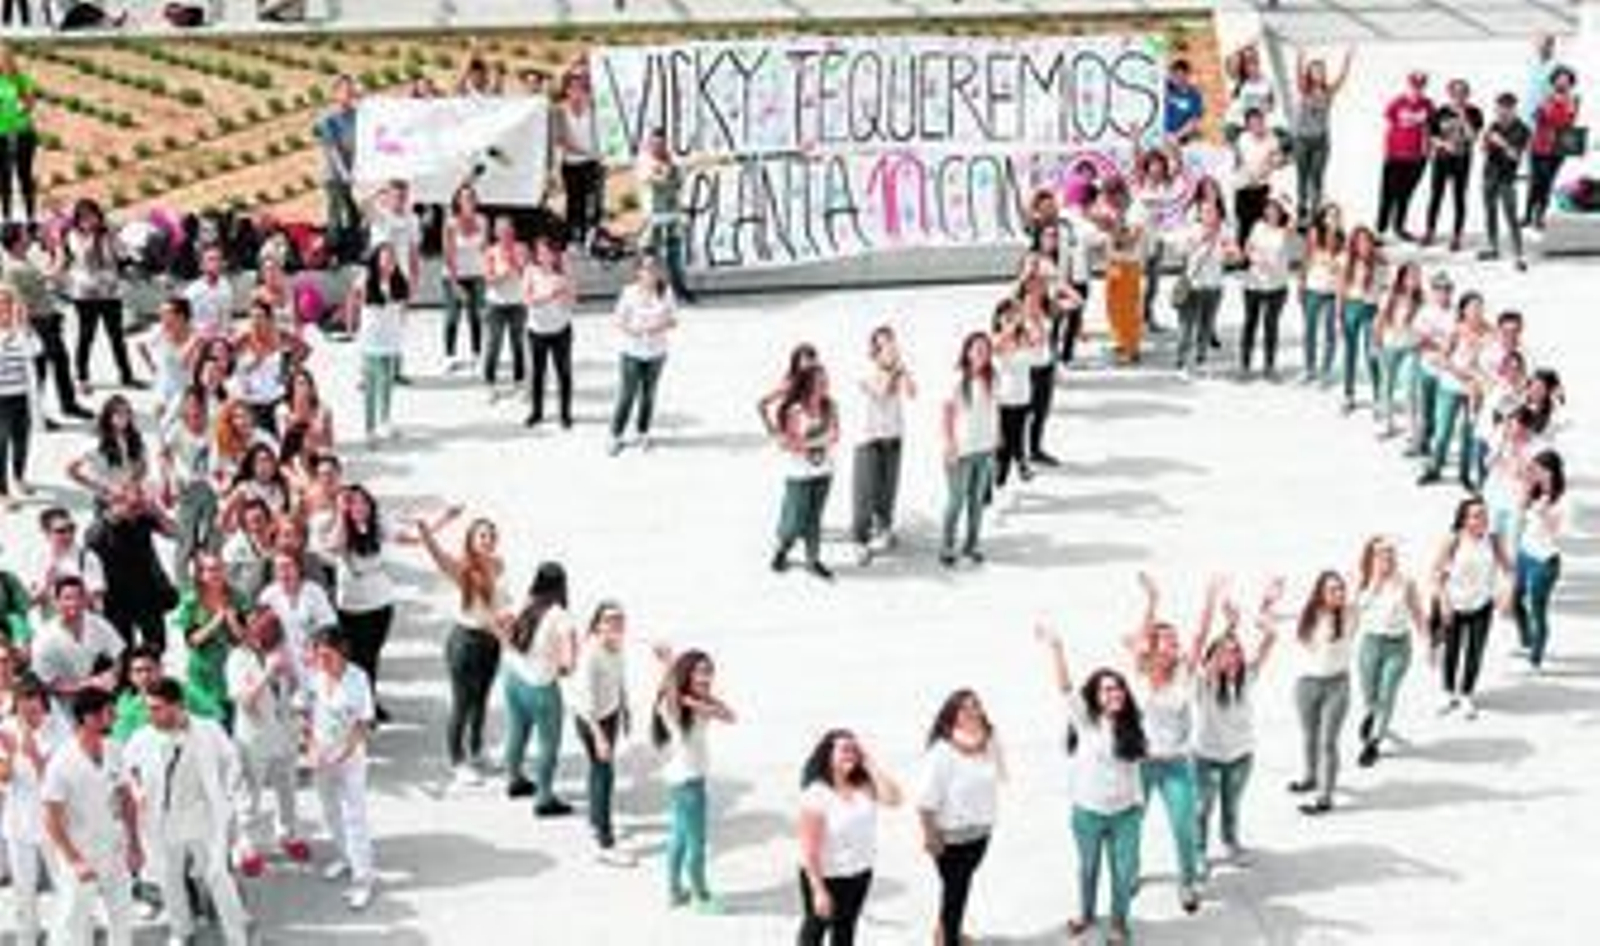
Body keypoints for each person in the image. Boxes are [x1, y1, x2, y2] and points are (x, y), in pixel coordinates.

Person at [122, 676, 249, 946]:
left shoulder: (208, 729)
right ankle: (182, 931)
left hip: (203, 815)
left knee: (217, 876)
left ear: (177, 705)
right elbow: (126, 770)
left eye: (156, 708)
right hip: (162, 820)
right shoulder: (142, 737)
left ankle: (237, 936)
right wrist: (137, 790)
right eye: (148, 707)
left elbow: (232, 761)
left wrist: (226, 795)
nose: (150, 714)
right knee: (169, 878)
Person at [412, 507, 511, 788]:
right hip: (465, 642)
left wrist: (508, 618)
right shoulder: (463, 569)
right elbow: (437, 556)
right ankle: (457, 761)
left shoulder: (499, 565)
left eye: (491, 535)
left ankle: (477, 751)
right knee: (462, 703)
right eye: (482, 535)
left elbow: (500, 603)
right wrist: (426, 531)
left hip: (491, 642)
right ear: (471, 539)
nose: (487, 539)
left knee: (482, 700)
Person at [42, 687, 141, 946]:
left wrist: (135, 845)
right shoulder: (61, 763)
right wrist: (75, 861)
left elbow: (126, 799)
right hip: (80, 850)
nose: (116, 717)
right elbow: (51, 819)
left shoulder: (114, 749)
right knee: (75, 922)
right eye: (110, 712)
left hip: (114, 846)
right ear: (89, 718)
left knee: (122, 917)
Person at [1192, 577, 1278, 869]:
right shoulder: (1204, 683)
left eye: (1236, 651)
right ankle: (1198, 851)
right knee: (1202, 808)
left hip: (1241, 756)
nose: (1233, 655)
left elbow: (1269, 640)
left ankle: (1231, 842)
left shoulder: (1246, 679)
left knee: (1232, 805)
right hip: (1206, 758)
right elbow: (1205, 650)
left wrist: (1267, 606)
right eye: (1227, 652)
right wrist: (1225, 621)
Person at [797, 729, 903, 946]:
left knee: (846, 930)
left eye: (855, 750)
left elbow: (894, 799)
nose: (851, 754)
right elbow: (809, 851)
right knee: (815, 931)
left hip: (859, 873)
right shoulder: (816, 794)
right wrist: (818, 891)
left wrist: (870, 764)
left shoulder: (863, 786)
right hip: (826, 875)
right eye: (845, 749)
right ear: (828, 754)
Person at [226, 609, 310, 876]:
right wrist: (267, 674)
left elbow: (299, 688)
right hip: (253, 737)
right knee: (250, 793)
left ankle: (288, 834)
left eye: (275, 635)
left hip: (284, 731)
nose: (271, 641)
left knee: (287, 786)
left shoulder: (283, 651)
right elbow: (245, 702)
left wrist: (293, 678)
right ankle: (246, 846)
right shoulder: (237, 660)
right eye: (264, 635)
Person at [652, 646, 736, 913]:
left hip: (685, 779)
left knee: (679, 837)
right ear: (685, 674)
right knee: (697, 842)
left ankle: (675, 892)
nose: (706, 677)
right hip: (688, 782)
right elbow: (674, 703)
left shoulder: (694, 702)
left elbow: (730, 716)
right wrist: (669, 668)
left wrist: (700, 697)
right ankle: (701, 896)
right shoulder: (672, 704)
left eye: (709, 672)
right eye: (700, 672)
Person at [916, 689, 1000, 946]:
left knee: (958, 891)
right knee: (956, 893)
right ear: (953, 715)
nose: (973, 711)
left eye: (976, 705)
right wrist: (930, 835)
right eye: (965, 708)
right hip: (951, 839)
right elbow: (925, 801)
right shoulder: (942, 752)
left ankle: (945, 933)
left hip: (981, 833)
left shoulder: (987, 743)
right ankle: (949, 939)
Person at [307, 627, 376, 911]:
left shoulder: (358, 679)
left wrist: (342, 755)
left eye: (327, 655)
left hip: (349, 757)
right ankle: (345, 856)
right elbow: (309, 715)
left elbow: (363, 725)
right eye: (318, 655)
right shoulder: (316, 677)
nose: (321, 661)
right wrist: (310, 747)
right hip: (322, 755)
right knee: (329, 810)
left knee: (354, 816)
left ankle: (363, 878)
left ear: (341, 651)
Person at [501, 562, 577, 813]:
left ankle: (514, 779)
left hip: (513, 677)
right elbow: (569, 662)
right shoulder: (560, 616)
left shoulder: (527, 602)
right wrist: (563, 668)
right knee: (548, 743)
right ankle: (544, 798)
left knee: (516, 731)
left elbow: (508, 629)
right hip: (541, 687)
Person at [0, 674, 67, 946]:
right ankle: (28, 937)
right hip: (18, 823)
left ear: (43, 702)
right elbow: (4, 778)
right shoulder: (6, 728)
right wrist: (10, 755)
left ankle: (68, 936)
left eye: (34, 704)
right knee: (23, 890)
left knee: (64, 886)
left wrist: (33, 755)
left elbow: (56, 783)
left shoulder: (58, 729)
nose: (29, 712)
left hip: (54, 824)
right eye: (23, 704)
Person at [4, 225, 90, 424]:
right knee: (39, 371)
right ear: (16, 241)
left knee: (59, 363)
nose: (29, 237)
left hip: (46, 320)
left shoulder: (25, 260)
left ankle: (67, 405)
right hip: (37, 323)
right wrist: (59, 247)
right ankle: (37, 414)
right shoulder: (16, 267)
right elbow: (52, 275)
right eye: (25, 235)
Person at [1353, 538, 1427, 768]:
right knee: (1369, 694)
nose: (1387, 558)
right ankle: (1371, 715)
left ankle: (1373, 743)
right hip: (1370, 643)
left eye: (1390, 554)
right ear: (1371, 557)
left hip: (1398, 645)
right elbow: (1355, 610)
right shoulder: (1363, 581)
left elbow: (1418, 613)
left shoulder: (1406, 582)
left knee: (1387, 693)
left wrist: (1427, 641)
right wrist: (1374, 583)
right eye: (1381, 554)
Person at [57, 197, 139, 393]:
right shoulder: (72, 236)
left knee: (116, 336)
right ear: (77, 219)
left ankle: (126, 375)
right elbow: (81, 255)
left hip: (110, 291)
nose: (89, 221)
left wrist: (113, 237)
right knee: (86, 336)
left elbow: (123, 254)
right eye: (84, 218)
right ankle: (82, 377)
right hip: (85, 293)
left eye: (92, 216)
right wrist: (92, 238)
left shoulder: (109, 234)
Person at [572, 600, 632, 865]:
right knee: (605, 773)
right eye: (609, 619)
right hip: (591, 719)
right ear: (598, 624)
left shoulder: (616, 646)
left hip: (610, 713)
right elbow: (585, 701)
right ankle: (605, 844)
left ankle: (596, 820)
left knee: (598, 770)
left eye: (619, 619)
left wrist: (625, 708)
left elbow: (618, 680)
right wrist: (599, 737)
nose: (616, 623)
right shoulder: (590, 654)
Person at [1290, 571, 1354, 815]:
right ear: (1320, 592)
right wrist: (1269, 599)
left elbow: (1368, 594)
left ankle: (1324, 796)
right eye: (1332, 589)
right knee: (1309, 736)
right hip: (1306, 684)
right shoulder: (1308, 615)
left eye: (1340, 589)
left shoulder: (1349, 614)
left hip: (1337, 685)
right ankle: (1310, 777)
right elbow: (1272, 617)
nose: (1338, 593)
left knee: (1328, 741)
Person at [84, 481, 176, 652]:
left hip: (148, 595)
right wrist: (96, 606)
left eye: (140, 505)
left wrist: (156, 511)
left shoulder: (142, 517)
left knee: (157, 647)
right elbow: (92, 573)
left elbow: (175, 533)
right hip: (117, 602)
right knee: (123, 652)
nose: (138, 510)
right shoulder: (97, 533)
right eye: (133, 506)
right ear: (116, 503)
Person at [1432, 497, 1501, 719]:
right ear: (1464, 519)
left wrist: (1506, 591)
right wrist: (1444, 602)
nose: (1480, 519)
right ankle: (1448, 691)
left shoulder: (1492, 540)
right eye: (1475, 515)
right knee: (1452, 650)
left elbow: (1509, 568)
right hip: (1455, 603)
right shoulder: (1453, 540)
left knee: (1475, 652)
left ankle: (1467, 694)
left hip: (1482, 604)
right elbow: (1435, 573)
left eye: (1483, 514)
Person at [850, 325, 913, 566]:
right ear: (875, 348)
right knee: (864, 492)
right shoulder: (865, 370)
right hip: (869, 439)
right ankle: (859, 540)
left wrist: (903, 371)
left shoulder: (897, 369)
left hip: (894, 436)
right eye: (885, 343)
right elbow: (882, 392)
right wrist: (896, 369)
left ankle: (884, 527)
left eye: (893, 342)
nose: (891, 347)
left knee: (888, 488)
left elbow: (913, 392)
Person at [770, 364, 838, 580]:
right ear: (808, 384)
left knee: (814, 518)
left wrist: (808, 442)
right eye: (820, 381)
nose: (825, 385)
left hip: (823, 471)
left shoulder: (830, 406)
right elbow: (791, 444)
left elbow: (835, 435)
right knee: (794, 520)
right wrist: (818, 441)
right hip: (798, 473)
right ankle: (783, 547)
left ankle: (813, 559)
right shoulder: (795, 410)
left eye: (826, 380)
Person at [939, 331, 997, 567]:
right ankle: (947, 545)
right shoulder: (955, 378)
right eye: (977, 348)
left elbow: (995, 410)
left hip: (984, 449)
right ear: (967, 351)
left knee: (976, 502)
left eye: (985, 349)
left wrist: (997, 438)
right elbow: (946, 415)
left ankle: (971, 545)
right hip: (961, 451)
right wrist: (950, 444)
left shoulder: (993, 377)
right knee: (956, 501)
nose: (981, 353)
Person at [29, 575, 122, 723]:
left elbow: (119, 653)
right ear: (56, 602)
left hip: (94, 705)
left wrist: (112, 676)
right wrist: (88, 684)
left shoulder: (97, 623)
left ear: (85, 599)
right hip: (60, 711)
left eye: (79, 597)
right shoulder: (44, 639)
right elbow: (45, 684)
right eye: (67, 598)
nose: (74, 603)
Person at [609, 257, 678, 456]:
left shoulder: (665, 292)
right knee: (627, 394)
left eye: (655, 268)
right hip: (632, 351)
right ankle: (615, 435)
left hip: (656, 352)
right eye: (646, 268)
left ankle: (643, 432)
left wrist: (658, 326)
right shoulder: (629, 292)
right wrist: (634, 329)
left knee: (649, 394)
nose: (651, 272)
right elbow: (618, 320)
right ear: (638, 271)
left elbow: (673, 320)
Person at [343, 243, 410, 445]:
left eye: (392, 258)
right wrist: (350, 325)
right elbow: (351, 301)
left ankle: (385, 420)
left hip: (391, 337)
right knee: (371, 383)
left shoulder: (399, 280)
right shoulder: (365, 279)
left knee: (387, 381)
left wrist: (401, 326)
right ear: (377, 259)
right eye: (385, 257)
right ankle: (369, 428)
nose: (389, 262)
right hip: (371, 337)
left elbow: (403, 306)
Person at [171, 551, 249, 724]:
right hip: (203, 672)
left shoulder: (238, 597)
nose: (216, 574)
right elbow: (192, 641)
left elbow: (244, 638)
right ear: (201, 574)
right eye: (210, 570)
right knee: (206, 723)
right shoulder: (191, 601)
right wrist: (217, 619)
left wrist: (232, 621)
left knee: (232, 722)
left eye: (219, 569)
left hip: (232, 669)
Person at [1514, 450, 1565, 670]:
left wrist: (1545, 513)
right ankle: (1528, 641)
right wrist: (1526, 492)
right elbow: (1520, 512)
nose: (1535, 473)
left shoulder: (1562, 499)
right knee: (1516, 601)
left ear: (1551, 472)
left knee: (1537, 608)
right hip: (1525, 554)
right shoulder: (1533, 490)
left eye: (1539, 469)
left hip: (1545, 561)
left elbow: (1557, 533)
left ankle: (1536, 659)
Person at [1175, 193, 1235, 375]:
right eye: (1205, 211)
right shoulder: (1191, 230)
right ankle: (1182, 361)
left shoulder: (1224, 231)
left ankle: (1200, 359)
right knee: (1187, 326)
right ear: (1199, 214)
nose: (1210, 215)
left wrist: (1229, 253)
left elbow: (1229, 257)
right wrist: (1200, 240)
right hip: (1194, 285)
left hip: (1214, 285)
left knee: (1206, 325)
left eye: (1213, 211)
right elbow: (1180, 251)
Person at [1291, 48, 1351, 223]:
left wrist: (1347, 61)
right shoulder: (1304, 89)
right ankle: (1302, 206)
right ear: (1310, 73)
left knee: (1317, 177)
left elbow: (1341, 80)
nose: (1318, 73)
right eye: (1315, 70)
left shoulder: (1328, 91)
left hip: (1321, 141)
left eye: (1321, 70)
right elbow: (1298, 77)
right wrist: (1300, 58)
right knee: (1302, 176)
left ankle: (1315, 211)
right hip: (1301, 140)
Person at [1423, 79, 1484, 251]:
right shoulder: (1440, 111)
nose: (1459, 96)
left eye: (1463, 92)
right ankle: (1430, 231)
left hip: (1462, 161)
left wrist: (1463, 116)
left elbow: (1473, 137)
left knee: (1459, 198)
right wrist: (1444, 145)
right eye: (1455, 92)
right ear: (1449, 93)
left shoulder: (1474, 112)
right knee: (1436, 196)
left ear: (1467, 94)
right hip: (1441, 160)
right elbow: (1431, 136)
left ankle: (1457, 236)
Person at [523, 236, 577, 429]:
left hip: (561, 329)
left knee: (564, 373)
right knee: (538, 373)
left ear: (554, 255)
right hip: (537, 330)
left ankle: (565, 414)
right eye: (540, 252)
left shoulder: (564, 273)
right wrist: (549, 295)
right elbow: (527, 299)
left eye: (547, 252)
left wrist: (565, 295)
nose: (544, 256)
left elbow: (572, 302)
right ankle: (537, 412)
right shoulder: (530, 271)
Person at [1377, 72, 1434, 241]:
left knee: (1405, 194)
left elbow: (1431, 128)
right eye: (1413, 86)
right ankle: (1380, 229)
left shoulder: (1428, 105)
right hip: (1395, 155)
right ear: (1408, 85)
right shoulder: (1397, 102)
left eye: (1420, 86)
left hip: (1417, 157)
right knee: (1388, 193)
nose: (1417, 89)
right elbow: (1389, 123)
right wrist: (1387, 149)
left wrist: (1428, 149)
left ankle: (1399, 226)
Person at [637, 126, 693, 301]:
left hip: (671, 214)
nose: (658, 146)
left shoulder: (670, 159)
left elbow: (678, 180)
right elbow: (650, 179)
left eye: (661, 143)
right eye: (654, 143)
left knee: (674, 255)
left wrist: (667, 174)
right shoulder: (644, 160)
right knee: (651, 256)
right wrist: (664, 174)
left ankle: (679, 289)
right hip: (652, 216)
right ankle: (653, 290)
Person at [1240, 196, 1292, 377]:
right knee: (1250, 325)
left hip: (1276, 286)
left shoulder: (1285, 231)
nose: (1272, 212)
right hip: (1253, 283)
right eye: (1269, 208)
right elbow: (1247, 248)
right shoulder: (1257, 227)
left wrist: (1287, 200)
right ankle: (1245, 364)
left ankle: (1269, 365)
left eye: (1276, 209)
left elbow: (1293, 222)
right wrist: (1255, 258)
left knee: (1271, 326)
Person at [1524, 66, 1579, 233]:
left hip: (1558, 147)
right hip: (1539, 144)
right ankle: (1527, 215)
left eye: (1566, 79)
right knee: (1535, 181)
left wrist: (1566, 110)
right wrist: (1544, 111)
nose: (1562, 81)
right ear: (1554, 81)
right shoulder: (1546, 98)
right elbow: (1536, 117)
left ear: (1570, 82)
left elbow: (1569, 123)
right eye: (1559, 78)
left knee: (1547, 182)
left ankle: (1540, 216)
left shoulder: (1574, 100)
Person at [1479, 93, 1531, 270]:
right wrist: (1486, 141)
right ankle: (1493, 247)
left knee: (1511, 217)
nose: (1502, 112)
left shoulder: (1522, 129)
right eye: (1499, 108)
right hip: (1489, 175)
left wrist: (1501, 142)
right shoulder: (1493, 125)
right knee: (1490, 212)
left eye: (1506, 108)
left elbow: (1515, 155)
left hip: (1507, 179)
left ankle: (1519, 255)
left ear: (1513, 109)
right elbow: (1484, 148)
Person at [313, 75, 361, 264]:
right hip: (334, 176)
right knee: (336, 216)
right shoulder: (327, 119)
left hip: (354, 175)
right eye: (344, 90)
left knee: (355, 215)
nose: (349, 93)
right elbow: (332, 150)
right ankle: (333, 255)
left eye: (351, 90)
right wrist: (345, 174)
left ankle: (354, 254)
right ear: (335, 94)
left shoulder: (358, 115)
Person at [1335, 226, 1382, 414]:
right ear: (1354, 243)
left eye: (1367, 241)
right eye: (1359, 241)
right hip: (1351, 307)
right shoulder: (1345, 260)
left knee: (1372, 354)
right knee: (1350, 353)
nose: (1364, 245)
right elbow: (1340, 289)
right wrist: (1338, 315)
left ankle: (1379, 395)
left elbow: (1383, 292)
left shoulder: (1379, 263)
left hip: (1371, 309)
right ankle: (1349, 394)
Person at [556, 69, 604, 250]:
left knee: (593, 203)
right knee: (574, 202)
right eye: (572, 87)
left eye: (580, 87)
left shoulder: (592, 108)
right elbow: (561, 140)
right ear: (566, 90)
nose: (577, 91)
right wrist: (588, 151)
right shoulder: (560, 110)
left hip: (592, 163)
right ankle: (573, 239)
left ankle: (590, 238)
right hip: (571, 164)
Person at [441, 183, 487, 373]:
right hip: (454, 275)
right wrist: (455, 282)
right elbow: (448, 255)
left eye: (471, 197)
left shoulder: (483, 220)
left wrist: (490, 273)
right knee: (452, 316)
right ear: (458, 201)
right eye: (464, 197)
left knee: (476, 315)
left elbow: (484, 250)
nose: (468, 200)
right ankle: (449, 356)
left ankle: (477, 354)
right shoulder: (450, 222)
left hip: (477, 274)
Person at [481, 217, 528, 396]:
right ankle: (489, 383)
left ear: (513, 231)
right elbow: (488, 279)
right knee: (494, 344)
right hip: (496, 305)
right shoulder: (491, 252)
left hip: (517, 303)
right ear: (496, 233)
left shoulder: (521, 248)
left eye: (508, 230)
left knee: (518, 344)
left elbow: (526, 273)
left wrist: (516, 263)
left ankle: (519, 381)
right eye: (501, 230)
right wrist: (503, 273)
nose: (505, 234)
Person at [0, 282, 36, 507]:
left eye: (8, 304)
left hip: (20, 394)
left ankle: (20, 477)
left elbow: (36, 351)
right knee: (0, 443)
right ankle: (2, 491)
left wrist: (24, 329)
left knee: (22, 439)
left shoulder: (21, 331)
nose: (4, 309)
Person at [1299, 205, 1344, 384]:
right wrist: (1301, 285)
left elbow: (1341, 267)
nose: (1332, 219)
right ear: (1323, 217)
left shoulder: (1342, 238)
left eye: (1336, 215)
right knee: (1309, 330)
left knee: (1330, 333)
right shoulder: (1314, 234)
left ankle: (1326, 370)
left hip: (1332, 293)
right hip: (1313, 289)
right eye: (1330, 215)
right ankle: (1310, 368)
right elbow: (1306, 261)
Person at [1233, 107, 1284, 244]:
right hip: (1243, 186)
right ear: (1248, 126)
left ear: (1263, 121)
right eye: (1252, 123)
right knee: (1244, 223)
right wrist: (1244, 173)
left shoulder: (1272, 138)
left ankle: (1260, 254)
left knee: (1260, 223)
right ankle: (1241, 256)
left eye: (1259, 122)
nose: (1257, 126)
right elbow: (1239, 159)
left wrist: (1269, 166)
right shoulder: (1242, 138)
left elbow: (1278, 159)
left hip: (1262, 187)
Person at [0, 47, 39, 225]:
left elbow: (30, 103)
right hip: (1, 134)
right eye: (2, 59)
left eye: (8, 58)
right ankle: (6, 217)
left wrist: (23, 107)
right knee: (3, 176)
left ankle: (31, 216)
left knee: (25, 174)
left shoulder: (22, 79)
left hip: (23, 133)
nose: (5, 62)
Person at [183, 243, 236, 340]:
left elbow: (227, 318)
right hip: (199, 338)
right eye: (211, 259)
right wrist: (202, 330)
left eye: (219, 259)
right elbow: (186, 322)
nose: (216, 263)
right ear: (202, 265)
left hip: (221, 338)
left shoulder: (226, 287)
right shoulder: (192, 291)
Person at [1163, 59, 1204, 147]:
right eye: (1175, 75)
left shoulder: (1194, 95)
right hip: (1163, 137)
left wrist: (1176, 136)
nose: (1178, 79)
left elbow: (1194, 121)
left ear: (1187, 75)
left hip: (1182, 140)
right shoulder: (1166, 90)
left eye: (1181, 75)